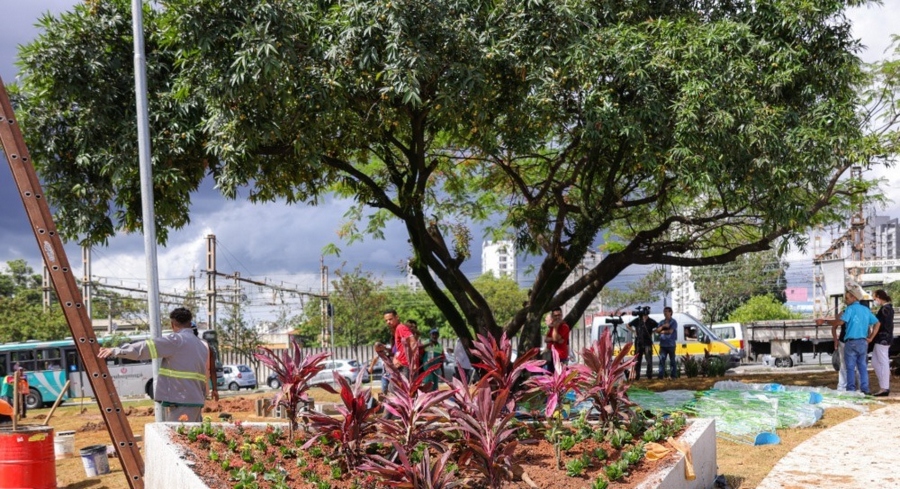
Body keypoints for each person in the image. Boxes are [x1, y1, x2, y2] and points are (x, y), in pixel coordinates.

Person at [98, 307, 212, 422]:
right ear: (190, 322)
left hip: (182, 400)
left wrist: (116, 351)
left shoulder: (176, 340)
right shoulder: (201, 345)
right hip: (196, 401)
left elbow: (145, 348)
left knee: (177, 436)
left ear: (172, 324)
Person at [827, 287, 879, 394]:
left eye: (847, 298)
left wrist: (827, 322)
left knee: (850, 368)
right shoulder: (866, 310)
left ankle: (851, 389)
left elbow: (841, 322)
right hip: (863, 342)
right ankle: (865, 389)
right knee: (862, 367)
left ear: (854, 298)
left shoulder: (850, 309)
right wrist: (871, 337)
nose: (846, 300)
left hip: (850, 342)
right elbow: (877, 323)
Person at [383, 309, 417, 380]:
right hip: (401, 365)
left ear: (397, 317)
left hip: (405, 366)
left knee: (397, 389)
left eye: (390, 319)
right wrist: (396, 358)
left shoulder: (400, 327)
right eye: (386, 320)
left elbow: (413, 342)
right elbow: (399, 349)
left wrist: (412, 362)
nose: (388, 322)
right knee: (393, 388)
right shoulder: (397, 330)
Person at [871, 289, 894, 396]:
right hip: (883, 338)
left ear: (879, 297)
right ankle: (883, 385)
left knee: (883, 362)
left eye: (875, 298)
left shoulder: (884, 309)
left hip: (882, 338)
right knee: (875, 362)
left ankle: (885, 387)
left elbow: (878, 324)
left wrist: (871, 337)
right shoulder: (888, 308)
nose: (874, 300)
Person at [628, 308, 658, 380]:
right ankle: (637, 376)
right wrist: (633, 331)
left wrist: (653, 332)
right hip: (638, 343)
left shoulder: (651, 321)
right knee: (637, 360)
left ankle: (649, 376)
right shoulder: (637, 320)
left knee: (649, 360)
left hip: (647, 343)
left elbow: (658, 326)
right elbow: (628, 325)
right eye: (643, 315)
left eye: (645, 314)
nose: (644, 316)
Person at [544, 307, 570, 373]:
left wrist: (555, 327)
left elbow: (555, 338)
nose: (558, 317)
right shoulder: (551, 327)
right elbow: (546, 339)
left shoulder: (564, 327)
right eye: (555, 316)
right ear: (552, 317)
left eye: (559, 315)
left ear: (562, 315)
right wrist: (555, 340)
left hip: (561, 358)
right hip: (551, 357)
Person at [656, 307, 678, 379]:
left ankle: (673, 376)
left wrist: (662, 331)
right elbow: (657, 330)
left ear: (670, 312)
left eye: (666, 311)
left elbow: (671, 331)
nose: (665, 313)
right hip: (663, 345)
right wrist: (663, 326)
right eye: (664, 311)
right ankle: (660, 376)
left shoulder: (673, 322)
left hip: (671, 345)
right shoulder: (661, 322)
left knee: (672, 361)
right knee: (662, 361)